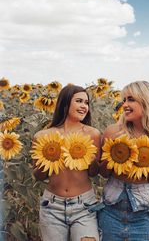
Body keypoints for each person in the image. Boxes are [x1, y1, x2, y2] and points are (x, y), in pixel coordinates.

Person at [99, 81, 149, 241]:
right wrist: (113, 155)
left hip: (144, 217)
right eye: (124, 100)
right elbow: (104, 173)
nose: (125, 104)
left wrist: (147, 163)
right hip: (111, 214)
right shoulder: (112, 132)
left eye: (131, 99)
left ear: (146, 102)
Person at [32, 84, 101, 241]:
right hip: (52, 206)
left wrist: (92, 160)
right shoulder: (43, 136)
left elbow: (93, 173)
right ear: (65, 103)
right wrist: (49, 159)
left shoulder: (92, 134)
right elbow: (38, 175)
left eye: (86, 103)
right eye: (79, 101)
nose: (84, 106)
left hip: (84, 205)